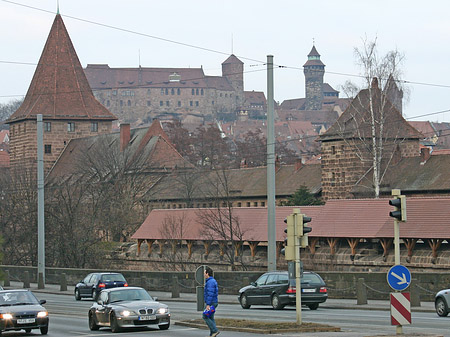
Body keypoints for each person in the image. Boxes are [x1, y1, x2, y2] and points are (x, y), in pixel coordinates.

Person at [203, 266, 219, 337]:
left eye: (204, 273)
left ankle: (215, 330)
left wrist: (208, 304)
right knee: (211, 317)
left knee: (205, 316)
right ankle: (212, 334)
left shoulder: (210, 282)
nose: (204, 275)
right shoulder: (212, 281)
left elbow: (210, 293)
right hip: (214, 301)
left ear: (207, 274)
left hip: (211, 302)